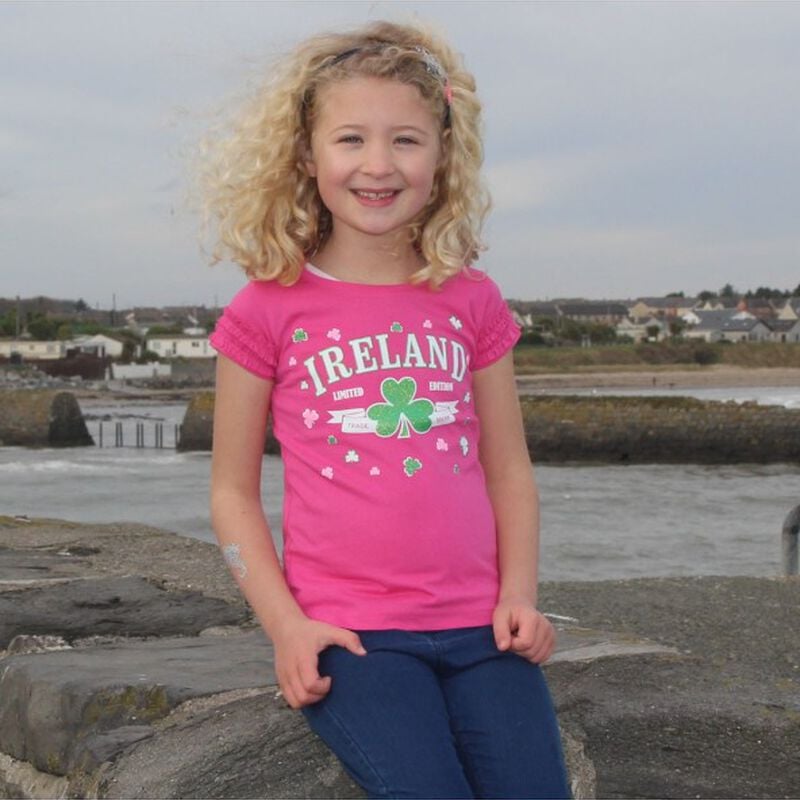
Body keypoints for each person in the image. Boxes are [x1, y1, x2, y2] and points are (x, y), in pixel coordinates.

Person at [204, 19, 570, 799]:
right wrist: (286, 629)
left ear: (442, 157)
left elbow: (508, 467)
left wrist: (520, 596)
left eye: (405, 140)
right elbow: (232, 493)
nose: (378, 165)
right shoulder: (267, 307)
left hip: (483, 635)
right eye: (350, 140)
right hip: (355, 639)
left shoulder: (471, 298)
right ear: (306, 155)